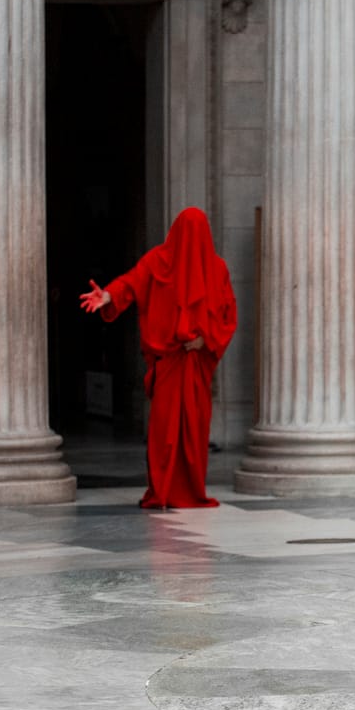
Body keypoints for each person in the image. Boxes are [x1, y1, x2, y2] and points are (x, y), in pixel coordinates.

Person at [80, 207, 237, 507]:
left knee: (194, 431)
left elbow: (229, 315)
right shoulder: (158, 261)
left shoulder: (217, 269)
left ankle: (190, 491)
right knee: (163, 432)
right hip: (169, 361)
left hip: (195, 363)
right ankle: (162, 491)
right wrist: (108, 295)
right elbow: (131, 282)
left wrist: (205, 340)